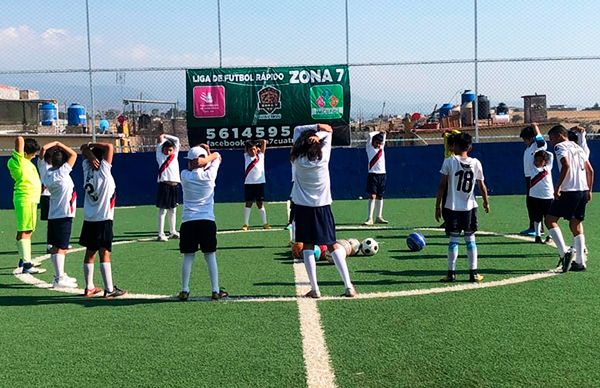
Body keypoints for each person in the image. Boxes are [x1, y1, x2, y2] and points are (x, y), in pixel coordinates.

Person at [291, 124, 356, 298]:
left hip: (303, 208)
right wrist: (319, 133)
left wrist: (313, 129)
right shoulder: (324, 157)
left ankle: (315, 289)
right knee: (332, 244)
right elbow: (329, 130)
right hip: (322, 208)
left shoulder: (297, 160)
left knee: (308, 246)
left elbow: (297, 131)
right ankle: (348, 286)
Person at [435, 132, 490, 283]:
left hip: (451, 207)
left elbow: (441, 186)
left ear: (453, 147)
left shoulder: (449, 161)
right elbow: (482, 185)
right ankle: (473, 273)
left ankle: (451, 273)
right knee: (470, 239)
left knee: (453, 239)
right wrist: (486, 201)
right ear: (470, 147)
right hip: (469, 207)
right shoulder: (476, 163)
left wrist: (437, 206)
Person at [178, 144, 228, 301]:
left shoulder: (184, 175)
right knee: (210, 256)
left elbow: (201, 163)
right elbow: (217, 156)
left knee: (188, 256)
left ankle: (185, 290)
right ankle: (215, 290)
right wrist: (208, 154)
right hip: (206, 221)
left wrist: (202, 158)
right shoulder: (210, 175)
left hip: (188, 222)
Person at [79, 142, 127, 298]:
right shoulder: (104, 172)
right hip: (104, 218)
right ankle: (109, 289)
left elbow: (83, 149)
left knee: (90, 253)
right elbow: (110, 147)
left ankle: (89, 287)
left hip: (89, 219)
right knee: (104, 253)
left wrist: (89, 151)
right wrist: (92, 146)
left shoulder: (87, 171)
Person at [545, 125, 594, 272]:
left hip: (569, 190)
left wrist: (558, 186)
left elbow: (565, 165)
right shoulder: (578, 147)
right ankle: (579, 262)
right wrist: (589, 190)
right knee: (576, 225)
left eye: (552, 138)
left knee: (550, 220)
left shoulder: (560, 146)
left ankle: (564, 253)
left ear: (560, 135)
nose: (551, 142)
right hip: (583, 190)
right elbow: (590, 170)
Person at [43, 141, 79, 288]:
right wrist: (60, 144)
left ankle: (59, 275)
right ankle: (59, 278)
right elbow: (74, 154)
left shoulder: (47, 174)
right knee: (61, 247)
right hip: (63, 214)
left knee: (56, 246)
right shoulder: (62, 172)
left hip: (54, 214)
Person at [7, 136, 45, 274]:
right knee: (25, 231)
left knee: (26, 229)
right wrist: (24, 139)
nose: (34, 156)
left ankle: (24, 259)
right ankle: (27, 265)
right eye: (33, 153)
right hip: (25, 198)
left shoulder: (26, 162)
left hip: (30, 199)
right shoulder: (18, 160)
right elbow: (19, 139)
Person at [520, 123, 546, 236]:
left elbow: (541, 140)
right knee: (530, 203)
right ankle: (534, 226)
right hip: (528, 178)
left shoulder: (537, 146)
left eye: (525, 139)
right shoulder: (528, 148)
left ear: (531, 138)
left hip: (536, 178)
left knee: (535, 203)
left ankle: (538, 228)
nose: (524, 141)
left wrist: (535, 127)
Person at [155, 133, 181, 241]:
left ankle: (173, 231)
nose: (169, 152)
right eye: (166, 150)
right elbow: (160, 141)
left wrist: (166, 135)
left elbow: (177, 140)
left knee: (173, 210)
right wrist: (163, 137)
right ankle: (160, 233)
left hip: (174, 185)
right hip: (164, 185)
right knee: (163, 210)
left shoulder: (175, 155)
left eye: (171, 150)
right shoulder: (160, 156)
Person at [527, 150, 554, 244]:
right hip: (534, 197)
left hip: (548, 197)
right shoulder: (532, 168)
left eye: (540, 160)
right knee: (537, 218)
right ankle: (537, 235)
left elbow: (551, 155)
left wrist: (543, 151)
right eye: (536, 160)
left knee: (549, 218)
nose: (537, 162)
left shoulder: (548, 168)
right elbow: (531, 157)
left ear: (545, 161)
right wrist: (536, 152)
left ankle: (550, 236)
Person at [242, 139, 269, 231]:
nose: (252, 151)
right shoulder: (246, 156)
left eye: (254, 149)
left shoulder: (261, 156)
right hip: (249, 183)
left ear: (257, 149)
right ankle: (245, 224)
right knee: (248, 203)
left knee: (260, 204)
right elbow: (246, 144)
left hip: (259, 183)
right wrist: (251, 143)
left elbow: (264, 142)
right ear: (247, 150)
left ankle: (265, 223)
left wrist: (257, 141)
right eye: (250, 150)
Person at [364, 128, 388, 225]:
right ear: (373, 142)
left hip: (382, 174)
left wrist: (383, 133)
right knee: (372, 195)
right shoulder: (369, 148)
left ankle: (379, 216)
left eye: (380, 143)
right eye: (377, 143)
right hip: (373, 174)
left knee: (380, 196)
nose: (378, 145)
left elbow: (384, 135)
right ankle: (370, 218)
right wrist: (378, 131)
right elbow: (370, 135)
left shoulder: (381, 148)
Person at [37, 146, 53, 252]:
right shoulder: (42, 164)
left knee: (57, 219)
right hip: (46, 196)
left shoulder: (56, 166)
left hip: (55, 195)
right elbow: (42, 149)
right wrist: (55, 143)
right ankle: (50, 244)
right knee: (51, 221)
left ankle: (57, 242)